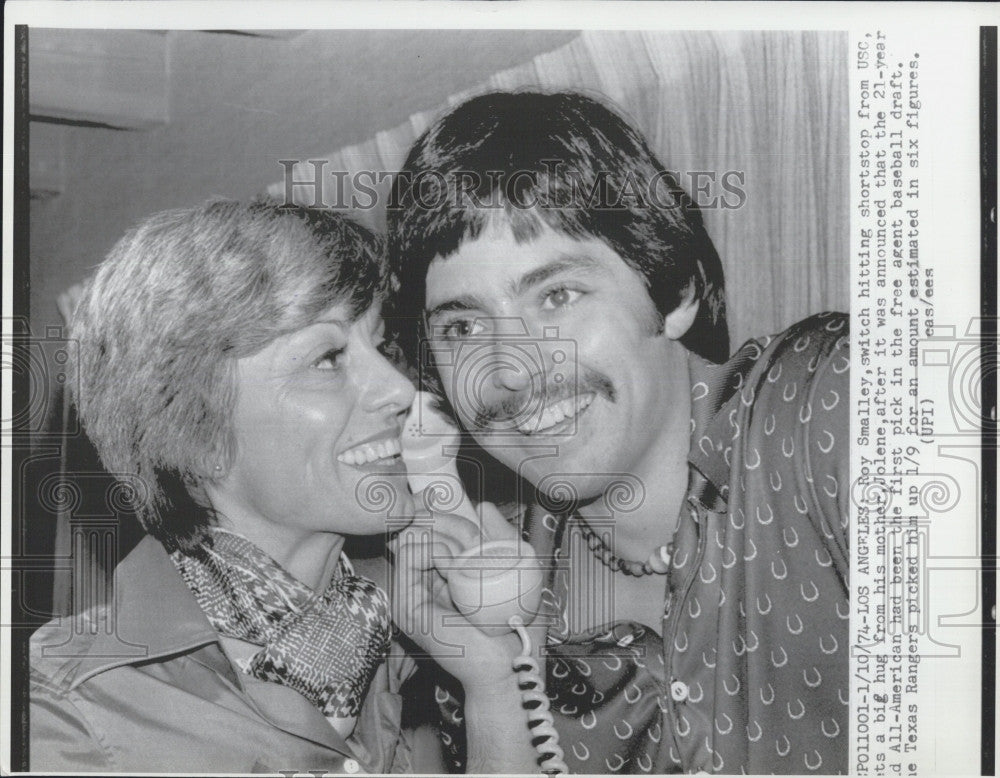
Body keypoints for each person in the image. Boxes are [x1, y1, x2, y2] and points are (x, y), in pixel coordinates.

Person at [387, 91, 849, 774]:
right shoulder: (505, 587)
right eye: (462, 327)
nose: (511, 374)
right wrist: (494, 684)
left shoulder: (823, 406)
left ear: (675, 293)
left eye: (557, 296)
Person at [30, 200, 423, 773]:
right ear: (197, 434)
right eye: (329, 357)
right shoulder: (64, 711)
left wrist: (495, 683)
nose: (399, 388)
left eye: (382, 347)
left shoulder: (407, 634)